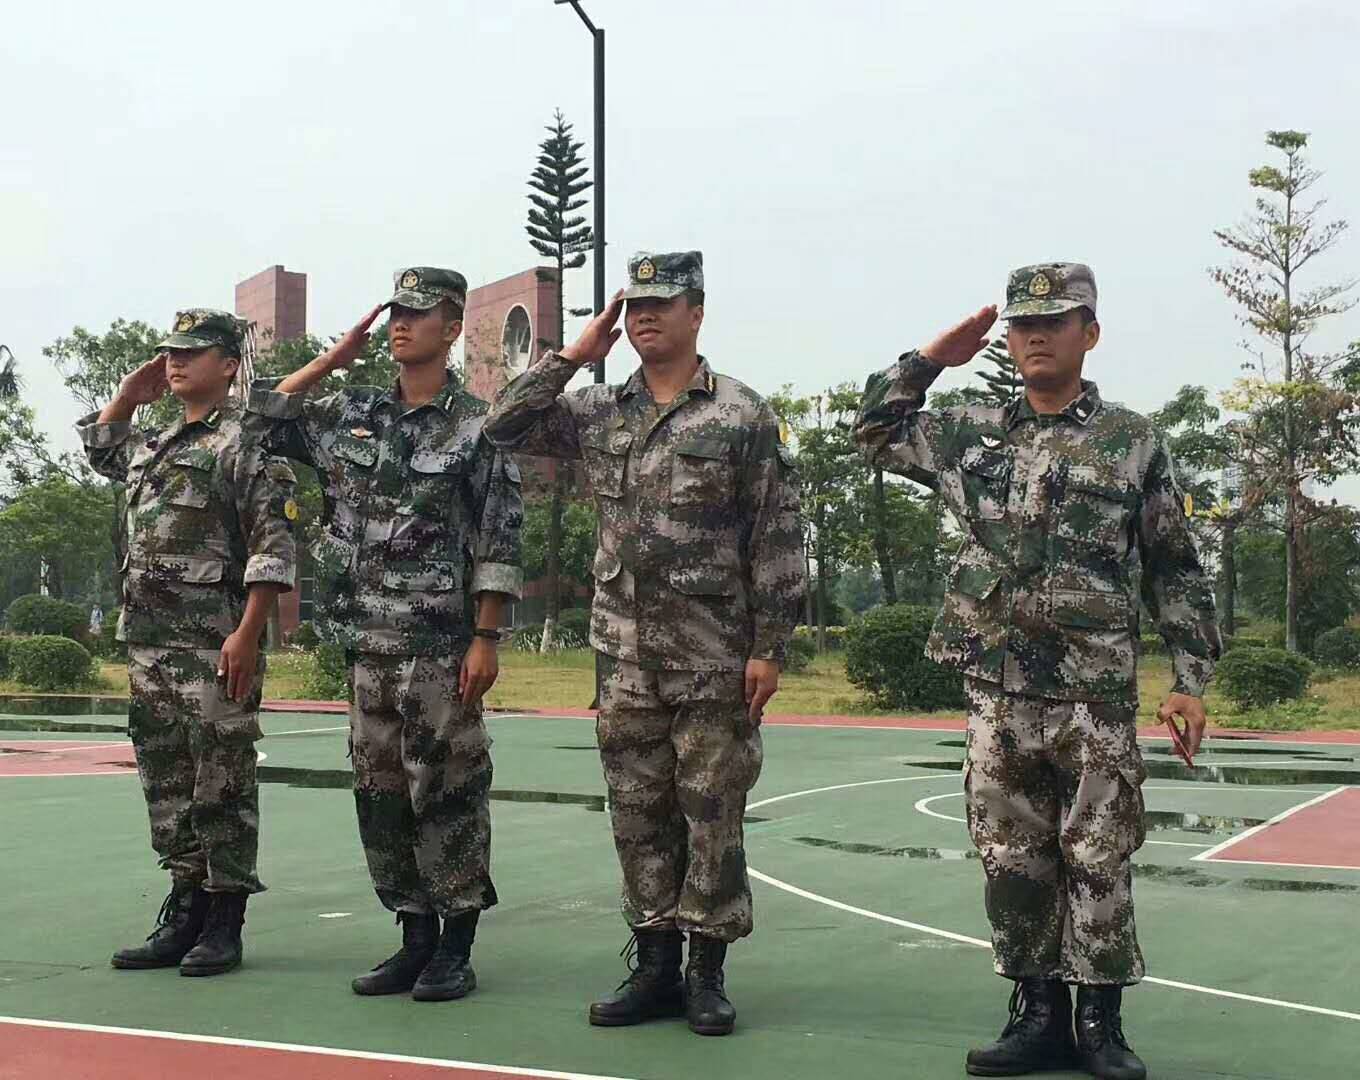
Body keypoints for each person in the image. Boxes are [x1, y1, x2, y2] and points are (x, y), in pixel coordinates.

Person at [854, 264, 1220, 1079]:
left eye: (1056, 322)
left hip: (1094, 687)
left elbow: (1174, 566)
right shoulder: (968, 429)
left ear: (1089, 333)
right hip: (998, 682)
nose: (1036, 336)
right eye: (1022, 325)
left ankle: (1100, 1018)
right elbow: (874, 428)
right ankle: (1037, 1011)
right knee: (1011, 853)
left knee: (1100, 850)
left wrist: (1189, 678)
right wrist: (931, 357)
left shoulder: (1133, 441)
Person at [484, 251, 804, 1036]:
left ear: (698, 312)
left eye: (663, 304)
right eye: (633, 307)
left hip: (713, 653)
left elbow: (777, 535)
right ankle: (654, 962)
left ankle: (706, 970)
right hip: (623, 653)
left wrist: (770, 645)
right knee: (636, 811)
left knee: (711, 813)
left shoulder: (740, 414)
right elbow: (501, 426)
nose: (645, 318)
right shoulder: (596, 409)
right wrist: (571, 356)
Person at [247, 267, 523, 1002]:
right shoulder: (350, 413)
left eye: (418, 313)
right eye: (395, 312)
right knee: (380, 790)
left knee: (448, 788)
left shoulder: (477, 426)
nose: (401, 323)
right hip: (363, 640)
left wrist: (487, 636)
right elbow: (262, 416)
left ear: (453, 327)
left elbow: (499, 537)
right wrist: (335, 359)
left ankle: (455, 943)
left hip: (439, 643)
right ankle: (412, 935)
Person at [78, 308, 297, 977]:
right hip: (150, 644)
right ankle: (183, 907)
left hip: (214, 642)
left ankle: (224, 917)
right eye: (170, 352)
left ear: (229, 365)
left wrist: (247, 633)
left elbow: (273, 547)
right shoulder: (158, 439)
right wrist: (126, 394)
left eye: (192, 352)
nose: (175, 362)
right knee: (167, 778)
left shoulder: (248, 440)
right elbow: (100, 451)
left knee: (221, 777)